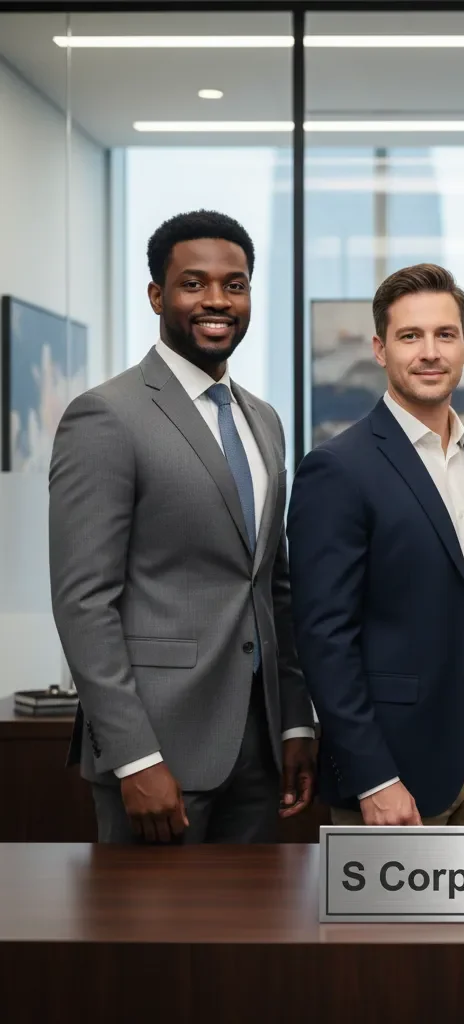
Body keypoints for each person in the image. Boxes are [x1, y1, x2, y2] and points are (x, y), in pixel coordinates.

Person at [49, 210, 316, 844]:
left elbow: (273, 585)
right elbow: (85, 603)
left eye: (236, 284)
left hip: (259, 749)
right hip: (158, 752)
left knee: (245, 941)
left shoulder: (265, 421)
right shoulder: (106, 417)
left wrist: (296, 722)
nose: (218, 300)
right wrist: (134, 757)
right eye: (194, 284)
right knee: (150, 943)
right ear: (157, 296)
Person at [286, 263, 464, 826]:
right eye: (410, 336)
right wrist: (373, 776)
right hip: (394, 768)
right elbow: (325, 640)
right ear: (380, 349)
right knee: (391, 921)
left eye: (445, 335)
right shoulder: (337, 469)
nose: (430, 352)